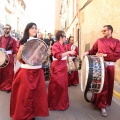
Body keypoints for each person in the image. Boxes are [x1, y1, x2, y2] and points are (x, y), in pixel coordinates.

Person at [10, 22, 49, 120]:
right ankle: (24, 115)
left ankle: (32, 115)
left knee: (36, 95)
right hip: (26, 72)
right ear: (28, 30)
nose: (34, 30)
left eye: (35, 28)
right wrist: (20, 51)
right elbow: (19, 58)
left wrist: (47, 54)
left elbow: (44, 60)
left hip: (38, 72)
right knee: (25, 96)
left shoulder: (40, 43)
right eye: (32, 28)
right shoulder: (22, 42)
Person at [83, 25, 120, 117]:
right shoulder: (99, 40)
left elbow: (117, 54)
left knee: (109, 86)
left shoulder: (117, 42)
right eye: (102, 30)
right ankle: (102, 106)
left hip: (110, 67)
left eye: (104, 30)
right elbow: (93, 50)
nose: (103, 32)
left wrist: (105, 55)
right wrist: (86, 53)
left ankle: (104, 102)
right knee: (102, 85)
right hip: (100, 65)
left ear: (110, 30)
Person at [48, 30, 76, 110]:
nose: (66, 38)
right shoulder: (55, 45)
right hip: (57, 66)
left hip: (63, 66)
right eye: (65, 37)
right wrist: (68, 52)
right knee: (57, 85)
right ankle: (55, 104)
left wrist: (68, 61)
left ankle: (62, 103)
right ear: (61, 37)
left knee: (63, 85)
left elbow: (64, 56)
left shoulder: (64, 45)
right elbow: (58, 56)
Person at [0, 24, 17, 92]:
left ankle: (8, 87)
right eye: (4, 28)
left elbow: (15, 51)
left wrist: (15, 60)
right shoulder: (0, 38)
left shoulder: (13, 40)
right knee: (1, 72)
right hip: (1, 56)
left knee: (9, 73)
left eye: (7, 28)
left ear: (10, 30)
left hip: (9, 57)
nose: (5, 30)